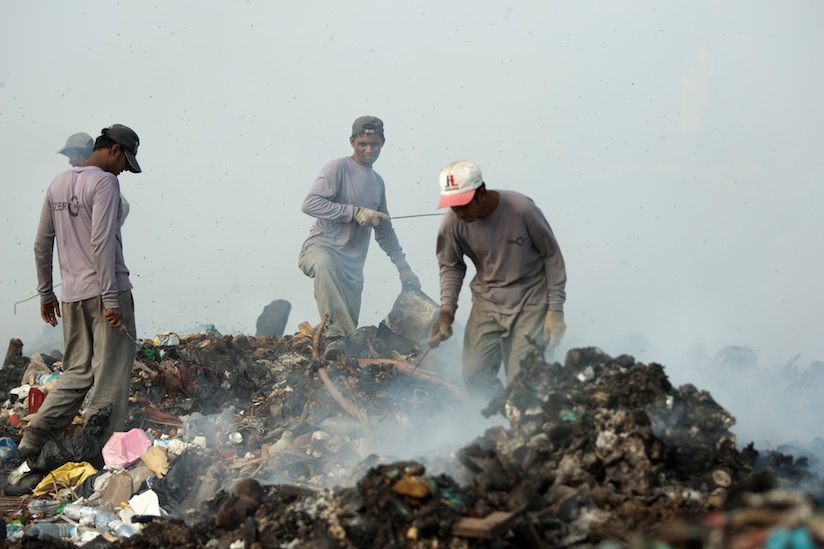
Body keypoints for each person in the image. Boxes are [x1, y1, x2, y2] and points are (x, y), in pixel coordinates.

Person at [22, 124, 143, 457]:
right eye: (125, 162)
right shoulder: (106, 182)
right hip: (107, 290)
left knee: (76, 371)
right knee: (111, 373)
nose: (124, 171)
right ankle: (96, 448)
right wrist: (111, 298)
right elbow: (101, 241)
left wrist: (47, 293)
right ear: (115, 150)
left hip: (72, 296)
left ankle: (34, 438)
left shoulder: (58, 183)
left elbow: (41, 243)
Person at [428, 160, 567, 404]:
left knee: (525, 379)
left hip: (531, 302)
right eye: (452, 206)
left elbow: (552, 256)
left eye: (462, 205)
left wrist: (555, 310)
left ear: (481, 193)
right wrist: (446, 312)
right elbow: (451, 267)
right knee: (474, 374)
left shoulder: (522, 210)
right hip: (487, 303)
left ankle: (528, 425)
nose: (458, 213)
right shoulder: (453, 223)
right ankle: (499, 423)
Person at [299, 116, 421, 359]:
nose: (368, 150)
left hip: (352, 270)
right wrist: (354, 213)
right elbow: (309, 204)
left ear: (382, 143)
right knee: (338, 329)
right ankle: (334, 337)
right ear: (352, 141)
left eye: (374, 144)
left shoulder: (377, 183)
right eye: (362, 143)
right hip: (320, 249)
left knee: (349, 338)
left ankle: (335, 367)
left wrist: (403, 268)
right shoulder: (337, 168)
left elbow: (385, 230)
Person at [58, 131, 131, 226]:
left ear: (76, 154)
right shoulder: (82, 182)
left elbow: (123, 205)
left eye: (70, 155)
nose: (70, 161)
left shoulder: (99, 182)